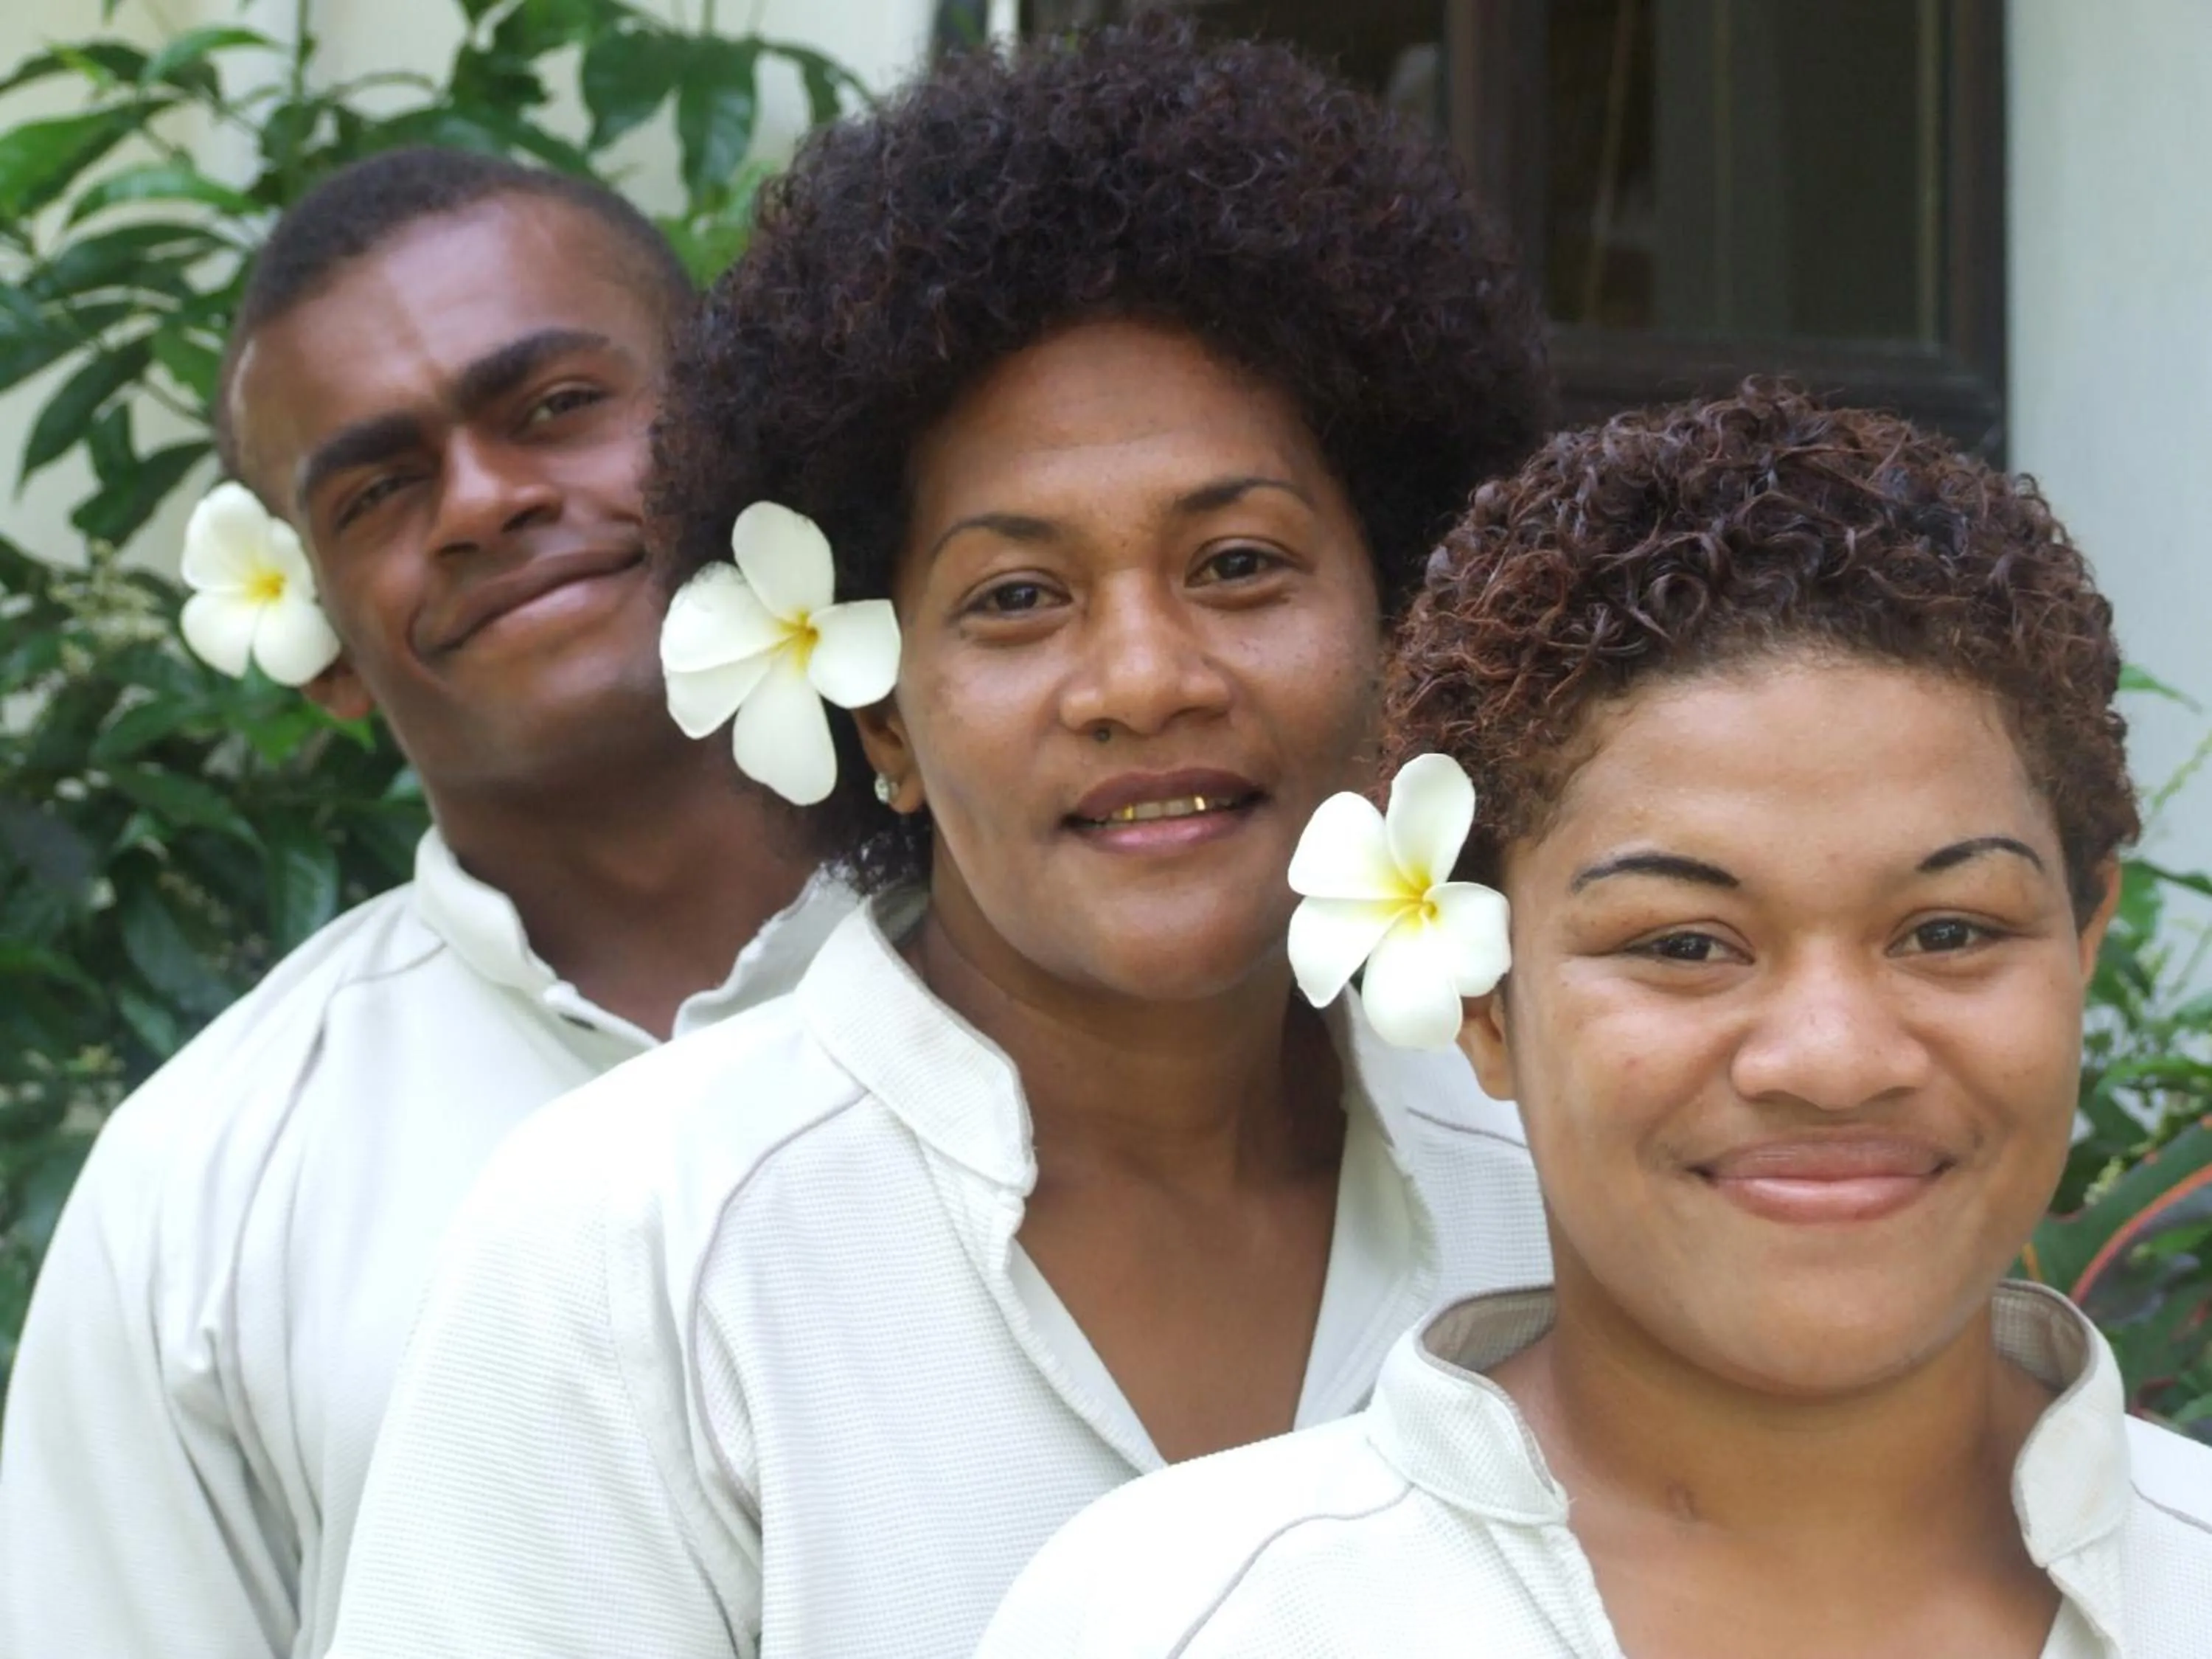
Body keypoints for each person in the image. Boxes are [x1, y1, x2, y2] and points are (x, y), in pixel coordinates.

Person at [326, 21, 1555, 1659]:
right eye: (1018, 598)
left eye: (1241, 565)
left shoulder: (1561, 1177)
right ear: (883, 716)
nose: (1141, 678)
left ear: (1398, 622)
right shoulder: (636, 1257)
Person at [974, 383, 2212, 1659]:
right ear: (1484, 1002)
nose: (1835, 1056)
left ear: (2083, 938)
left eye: (1947, 931)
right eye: (1684, 945)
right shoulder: (1185, 1621)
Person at [0, 149, 853, 1659]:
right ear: (320, 646)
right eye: (380, 488)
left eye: (557, 408)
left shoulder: (1086, 989)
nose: (481, 501)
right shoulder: (190, 1205)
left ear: (749, 429)